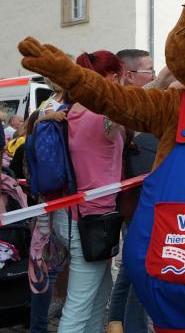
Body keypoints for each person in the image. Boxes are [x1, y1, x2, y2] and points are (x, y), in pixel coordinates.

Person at [52, 51, 125, 333]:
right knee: (79, 307)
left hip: (69, 214)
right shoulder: (104, 114)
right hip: (90, 220)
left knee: (98, 296)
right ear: (114, 78)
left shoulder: (70, 110)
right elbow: (137, 105)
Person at [105, 48, 155, 333]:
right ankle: (135, 327)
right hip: (137, 205)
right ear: (129, 74)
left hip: (136, 203)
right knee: (140, 268)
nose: (153, 76)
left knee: (129, 269)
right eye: (148, 70)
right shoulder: (124, 108)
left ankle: (116, 323)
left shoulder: (140, 103)